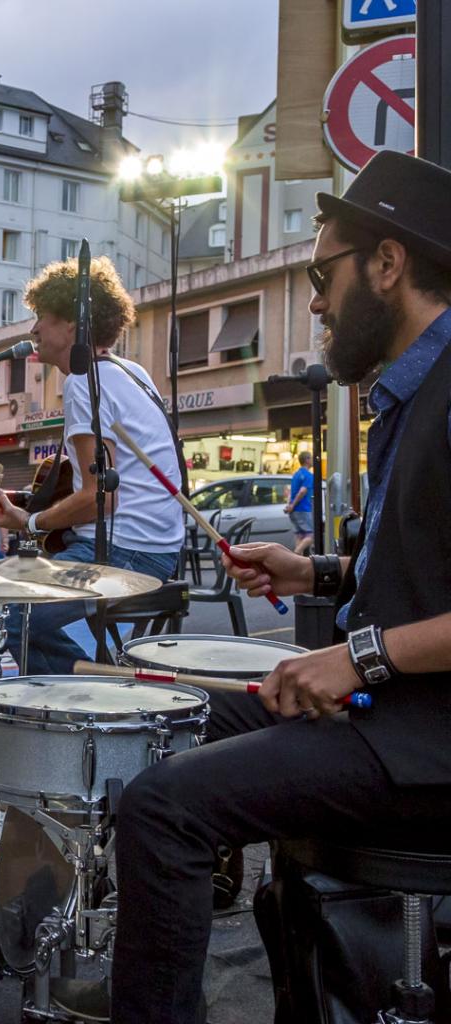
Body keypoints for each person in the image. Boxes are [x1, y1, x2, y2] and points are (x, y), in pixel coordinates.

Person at [109, 150, 451, 1024]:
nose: (313, 300)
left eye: (320, 273)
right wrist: (319, 573)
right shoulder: (409, 395)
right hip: (392, 712)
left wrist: (359, 657)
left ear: (388, 263)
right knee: (160, 717)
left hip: (426, 743)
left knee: (164, 807)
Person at [0, 255, 184, 673]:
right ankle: (91, 685)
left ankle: (82, 703)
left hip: (125, 551)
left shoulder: (83, 383)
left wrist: (29, 522)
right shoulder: (132, 372)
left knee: (14, 616)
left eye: (42, 316)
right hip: (162, 548)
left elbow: (102, 498)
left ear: (73, 326)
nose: (34, 330)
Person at [284, 450, 314, 553]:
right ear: (307, 460)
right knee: (311, 536)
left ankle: (297, 561)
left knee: (299, 536)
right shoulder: (308, 475)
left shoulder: (296, 474)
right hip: (303, 509)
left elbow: (291, 492)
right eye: (311, 458)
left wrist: (290, 505)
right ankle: (295, 554)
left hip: (294, 511)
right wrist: (293, 505)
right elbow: (302, 491)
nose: (313, 460)